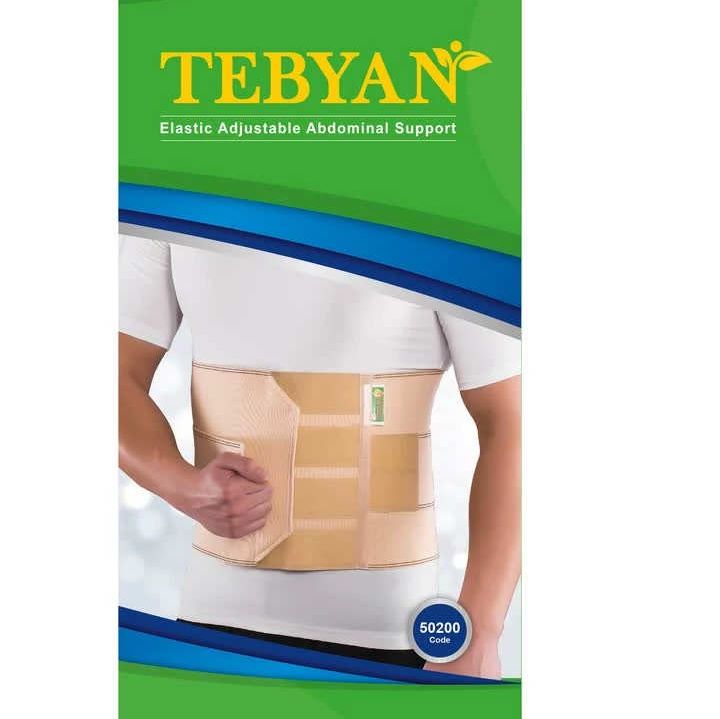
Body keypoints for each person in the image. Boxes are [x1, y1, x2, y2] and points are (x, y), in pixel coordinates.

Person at [118, 235, 520, 676]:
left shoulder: (439, 227)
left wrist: (479, 634)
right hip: (211, 624)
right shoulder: (182, 211)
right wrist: (181, 486)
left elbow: (512, 422)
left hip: (388, 636)